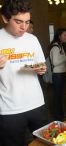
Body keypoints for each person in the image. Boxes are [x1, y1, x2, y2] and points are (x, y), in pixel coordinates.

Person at [0, 0, 48, 146]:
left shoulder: (32, 39)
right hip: (9, 108)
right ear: (5, 18)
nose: (24, 27)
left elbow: (41, 65)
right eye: (19, 22)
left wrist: (41, 69)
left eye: (27, 22)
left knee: (46, 142)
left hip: (36, 103)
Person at [49, 28, 66, 120]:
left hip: (61, 74)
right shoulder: (55, 47)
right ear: (59, 36)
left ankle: (60, 115)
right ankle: (58, 116)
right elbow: (55, 62)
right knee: (57, 96)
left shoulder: (60, 46)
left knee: (59, 96)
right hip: (57, 75)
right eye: (64, 35)